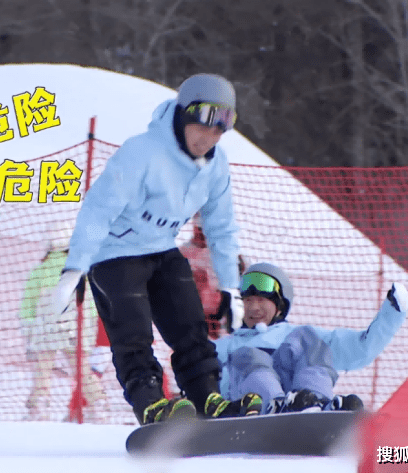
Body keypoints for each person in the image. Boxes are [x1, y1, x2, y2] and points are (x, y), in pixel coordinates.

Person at [51, 73, 261, 425]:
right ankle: (150, 403)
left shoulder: (216, 164)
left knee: (190, 326)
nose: (209, 136)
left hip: (163, 250)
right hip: (114, 254)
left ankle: (206, 397)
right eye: (203, 123)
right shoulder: (142, 152)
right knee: (132, 333)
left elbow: (221, 228)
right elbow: (98, 208)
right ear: (182, 114)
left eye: (221, 127)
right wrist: (76, 265)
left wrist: (229, 286)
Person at [215, 262, 408, 414]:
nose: (253, 308)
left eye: (261, 301)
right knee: (247, 355)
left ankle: (314, 402)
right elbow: (190, 364)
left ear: (280, 305)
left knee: (307, 340)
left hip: (297, 405)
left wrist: (392, 314)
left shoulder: (297, 337)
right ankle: (275, 405)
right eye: (247, 301)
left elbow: (360, 349)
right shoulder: (227, 346)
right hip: (248, 407)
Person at [18, 235, 105, 422]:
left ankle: (39, 407)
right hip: (74, 325)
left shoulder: (40, 271)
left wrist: (27, 330)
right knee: (81, 369)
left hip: (46, 327)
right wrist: (89, 333)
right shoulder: (80, 272)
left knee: (43, 368)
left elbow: (28, 305)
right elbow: (89, 304)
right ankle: (97, 405)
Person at [179, 212, 247, 339]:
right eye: (199, 229)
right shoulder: (182, 254)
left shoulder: (228, 255)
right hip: (192, 316)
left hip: (222, 314)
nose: (202, 235)